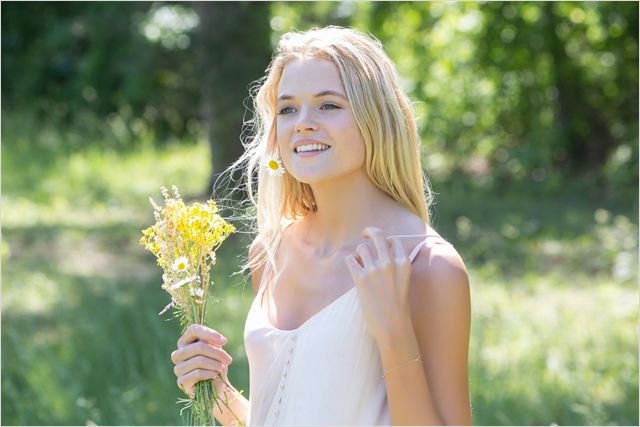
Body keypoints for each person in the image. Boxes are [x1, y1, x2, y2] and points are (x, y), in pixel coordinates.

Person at [170, 26, 472, 426]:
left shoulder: (428, 265)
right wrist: (217, 391)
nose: (303, 123)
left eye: (328, 105)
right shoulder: (271, 252)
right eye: (288, 108)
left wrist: (393, 333)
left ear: (376, 118)